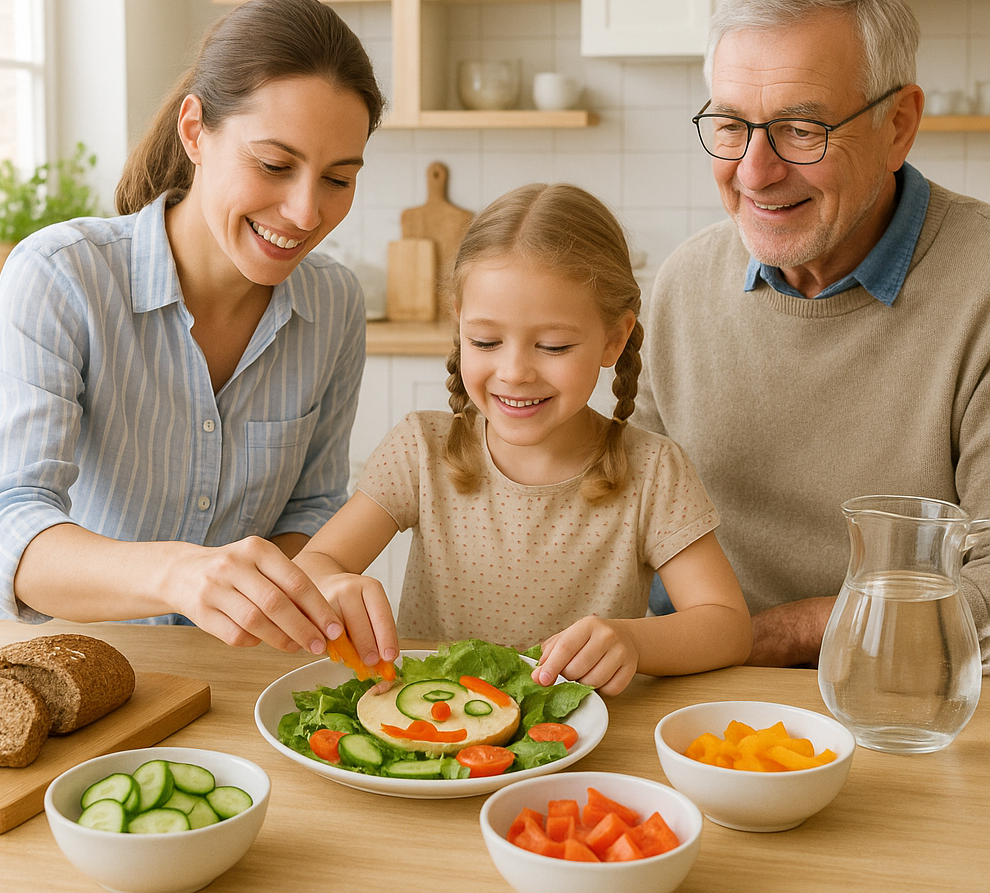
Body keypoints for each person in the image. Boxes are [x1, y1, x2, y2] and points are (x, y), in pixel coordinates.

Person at [0, 0, 385, 656]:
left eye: (338, 177)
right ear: (196, 131)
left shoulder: (333, 305)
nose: (306, 212)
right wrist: (180, 574)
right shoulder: (61, 277)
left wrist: (310, 584)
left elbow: (311, 507)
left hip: (233, 674)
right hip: (62, 663)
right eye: (275, 166)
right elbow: (1, 528)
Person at [636, 0, 990, 669]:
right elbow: (621, 517)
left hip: (901, 704)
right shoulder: (682, 281)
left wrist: (773, 636)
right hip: (688, 695)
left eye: (801, 129)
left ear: (899, 126)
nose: (754, 173)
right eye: (731, 126)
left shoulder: (979, 286)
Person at [292, 183, 753, 695]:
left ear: (614, 339)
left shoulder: (653, 470)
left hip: (573, 742)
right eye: (485, 341)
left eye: (553, 346)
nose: (514, 372)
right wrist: (333, 583)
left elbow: (727, 626)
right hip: (433, 736)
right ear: (459, 326)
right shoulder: (422, 448)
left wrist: (634, 641)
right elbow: (314, 563)